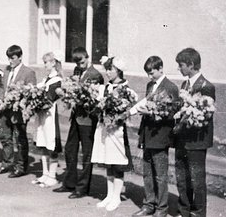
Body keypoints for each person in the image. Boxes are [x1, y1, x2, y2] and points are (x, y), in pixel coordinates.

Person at [131, 56, 179, 217]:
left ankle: (162, 208)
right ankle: (148, 205)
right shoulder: (150, 85)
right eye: (148, 74)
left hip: (160, 137)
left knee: (160, 176)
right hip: (148, 135)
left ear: (161, 69)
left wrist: (150, 113)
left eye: (152, 73)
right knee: (147, 173)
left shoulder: (171, 87)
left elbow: (172, 114)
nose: (150, 77)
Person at [53, 47, 104, 198]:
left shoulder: (95, 75)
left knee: (86, 154)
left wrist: (74, 93)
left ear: (88, 58)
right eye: (77, 63)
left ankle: (82, 188)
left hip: (88, 119)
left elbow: (93, 98)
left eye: (82, 62)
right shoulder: (77, 70)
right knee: (70, 149)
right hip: (76, 117)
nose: (80, 65)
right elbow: (72, 85)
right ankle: (70, 183)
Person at [174, 48, 215, 217]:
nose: (179, 68)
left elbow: (205, 115)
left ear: (191, 65)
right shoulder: (185, 84)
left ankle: (198, 213)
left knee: (196, 179)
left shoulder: (207, 87)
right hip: (182, 139)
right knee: (182, 177)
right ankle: (183, 210)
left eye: (181, 65)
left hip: (197, 141)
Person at [91, 56, 136, 211]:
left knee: (117, 163)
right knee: (107, 162)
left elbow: (129, 109)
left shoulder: (126, 90)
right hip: (104, 128)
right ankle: (109, 195)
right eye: (107, 69)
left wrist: (119, 115)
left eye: (111, 69)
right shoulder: (105, 88)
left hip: (117, 131)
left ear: (119, 71)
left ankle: (116, 197)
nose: (108, 72)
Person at [0, 45, 36, 178]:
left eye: (13, 58)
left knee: (20, 139)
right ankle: (7, 162)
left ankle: (21, 167)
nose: (10, 61)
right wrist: (0, 99)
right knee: (5, 137)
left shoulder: (28, 72)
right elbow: (1, 87)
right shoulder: (7, 70)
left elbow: (31, 92)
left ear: (20, 57)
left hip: (18, 111)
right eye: (8, 58)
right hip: (5, 110)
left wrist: (19, 101)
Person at [31, 52, 62, 187]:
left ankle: (52, 175)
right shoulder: (47, 79)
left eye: (46, 62)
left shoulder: (57, 80)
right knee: (42, 142)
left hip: (50, 114)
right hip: (42, 114)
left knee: (51, 143)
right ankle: (45, 173)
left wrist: (39, 99)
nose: (45, 65)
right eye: (44, 62)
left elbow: (49, 98)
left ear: (53, 63)